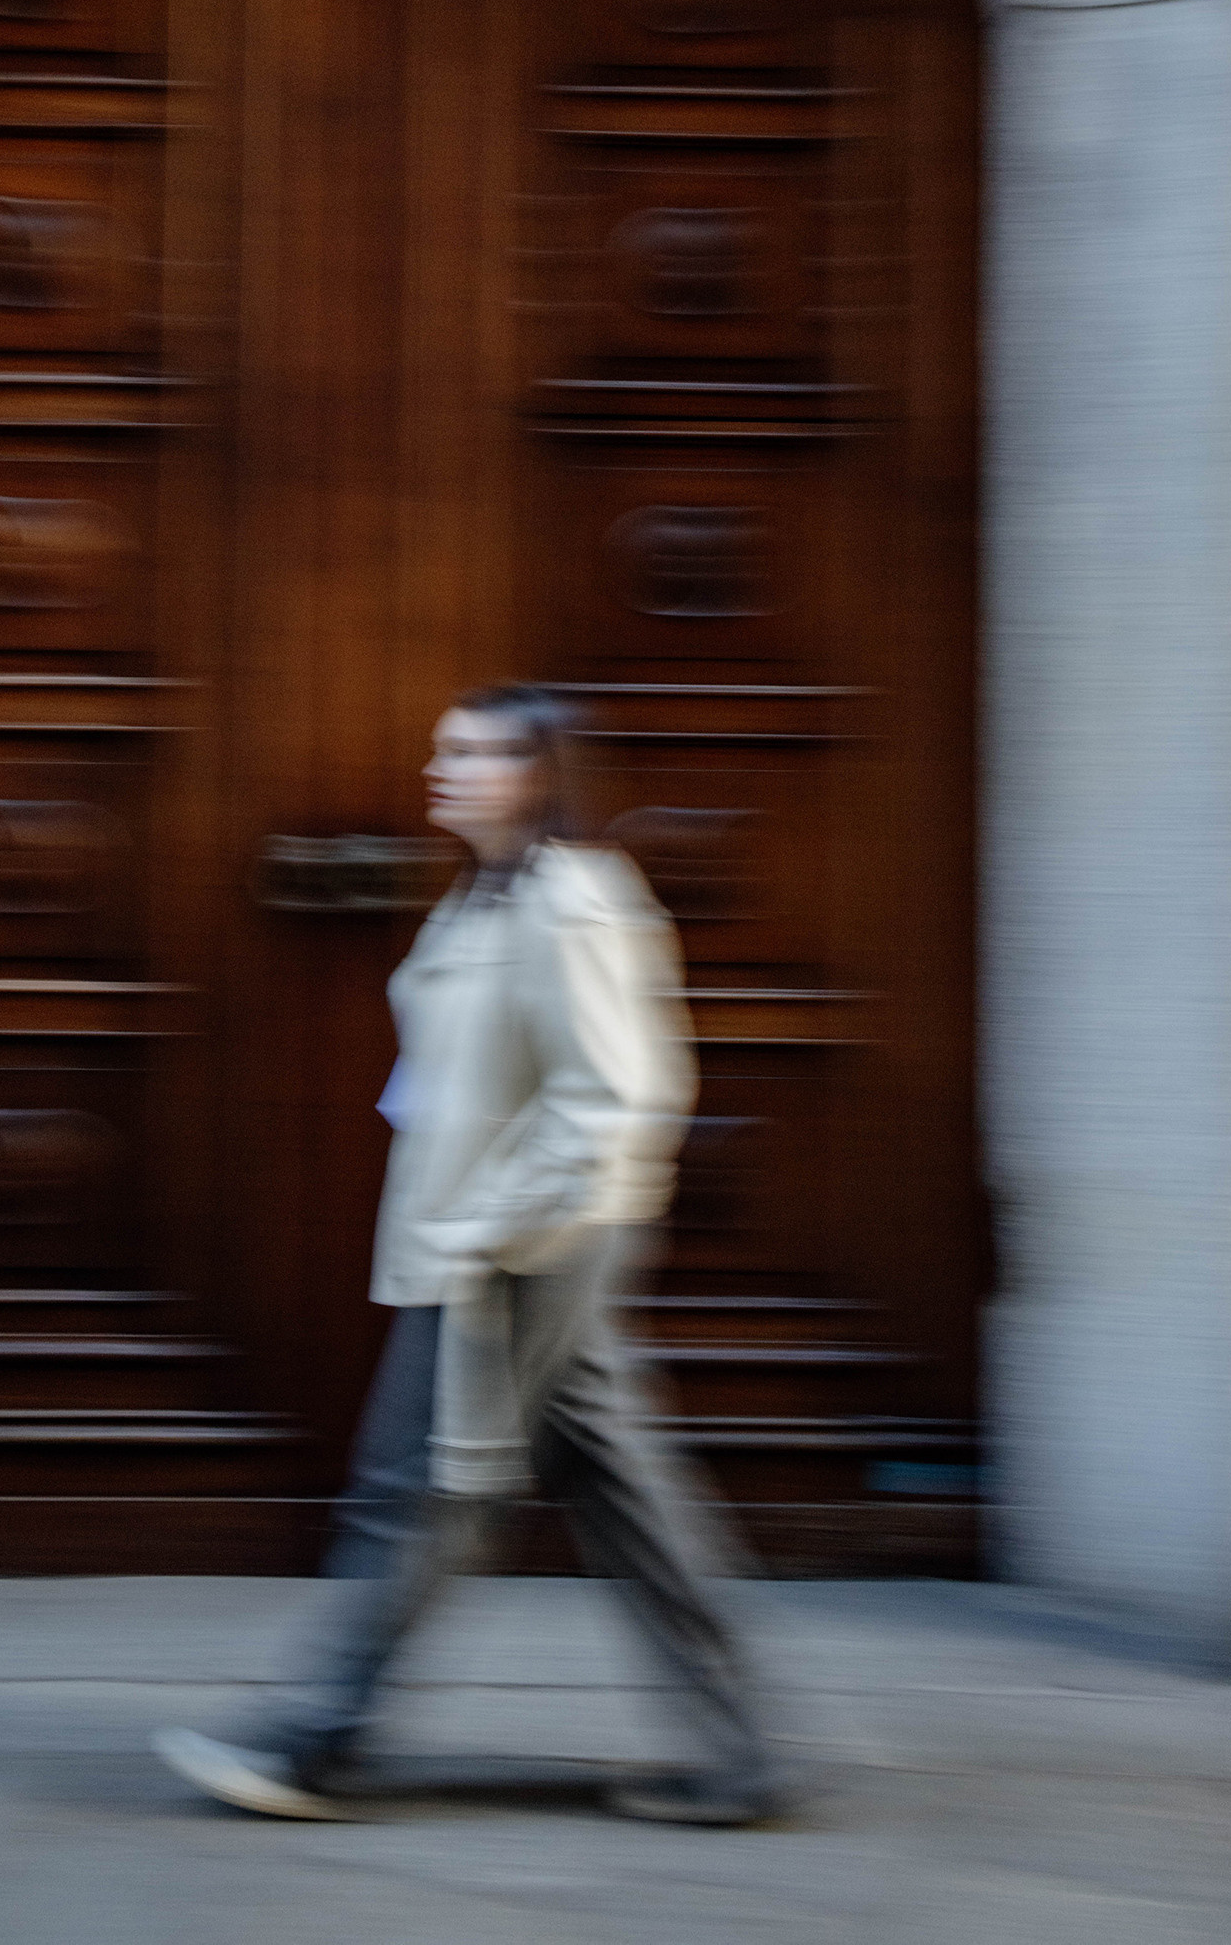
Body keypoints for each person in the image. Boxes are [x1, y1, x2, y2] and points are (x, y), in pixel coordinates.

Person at [154, 683, 782, 1826]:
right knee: (626, 1493)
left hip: (529, 1242)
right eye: (441, 746)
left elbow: (617, 1097)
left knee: (418, 1483)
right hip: (509, 1235)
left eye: (480, 751)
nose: (444, 767)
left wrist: (489, 1231)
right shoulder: (482, 901)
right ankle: (741, 1751)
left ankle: (317, 1740)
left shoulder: (569, 898)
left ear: (539, 772)